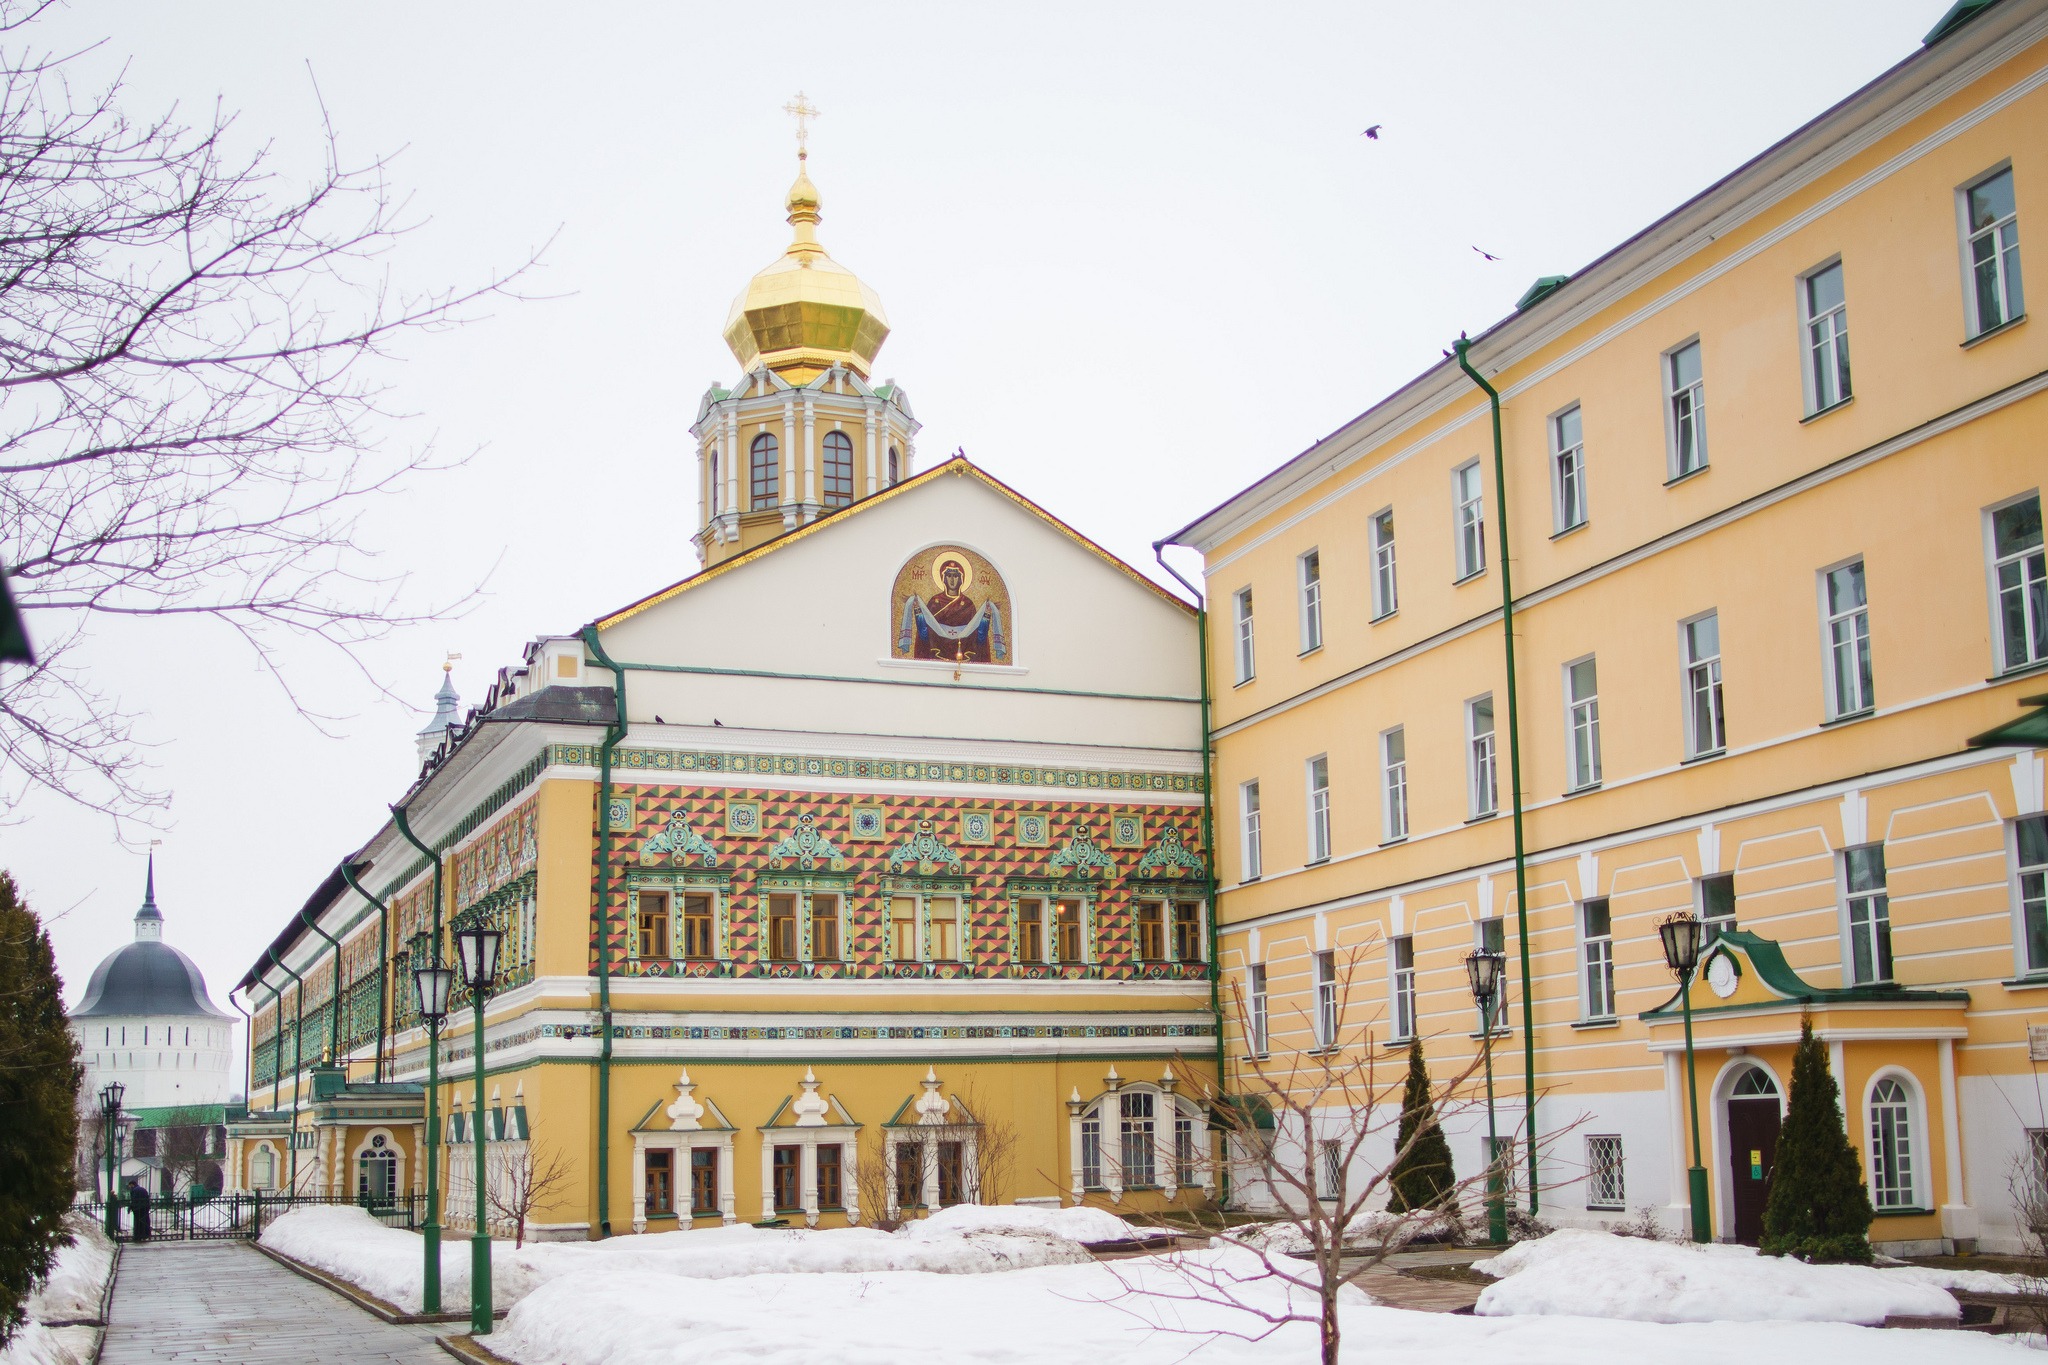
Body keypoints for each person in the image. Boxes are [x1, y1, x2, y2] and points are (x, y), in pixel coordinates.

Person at [126, 1178, 152, 1243]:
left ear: (132, 1185)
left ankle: (138, 1236)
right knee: (145, 1220)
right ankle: (146, 1234)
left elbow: (134, 1200)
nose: (129, 1187)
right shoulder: (143, 1189)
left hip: (138, 1208)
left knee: (138, 1222)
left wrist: (130, 1207)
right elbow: (147, 1198)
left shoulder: (134, 1190)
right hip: (145, 1207)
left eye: (129, 1186)